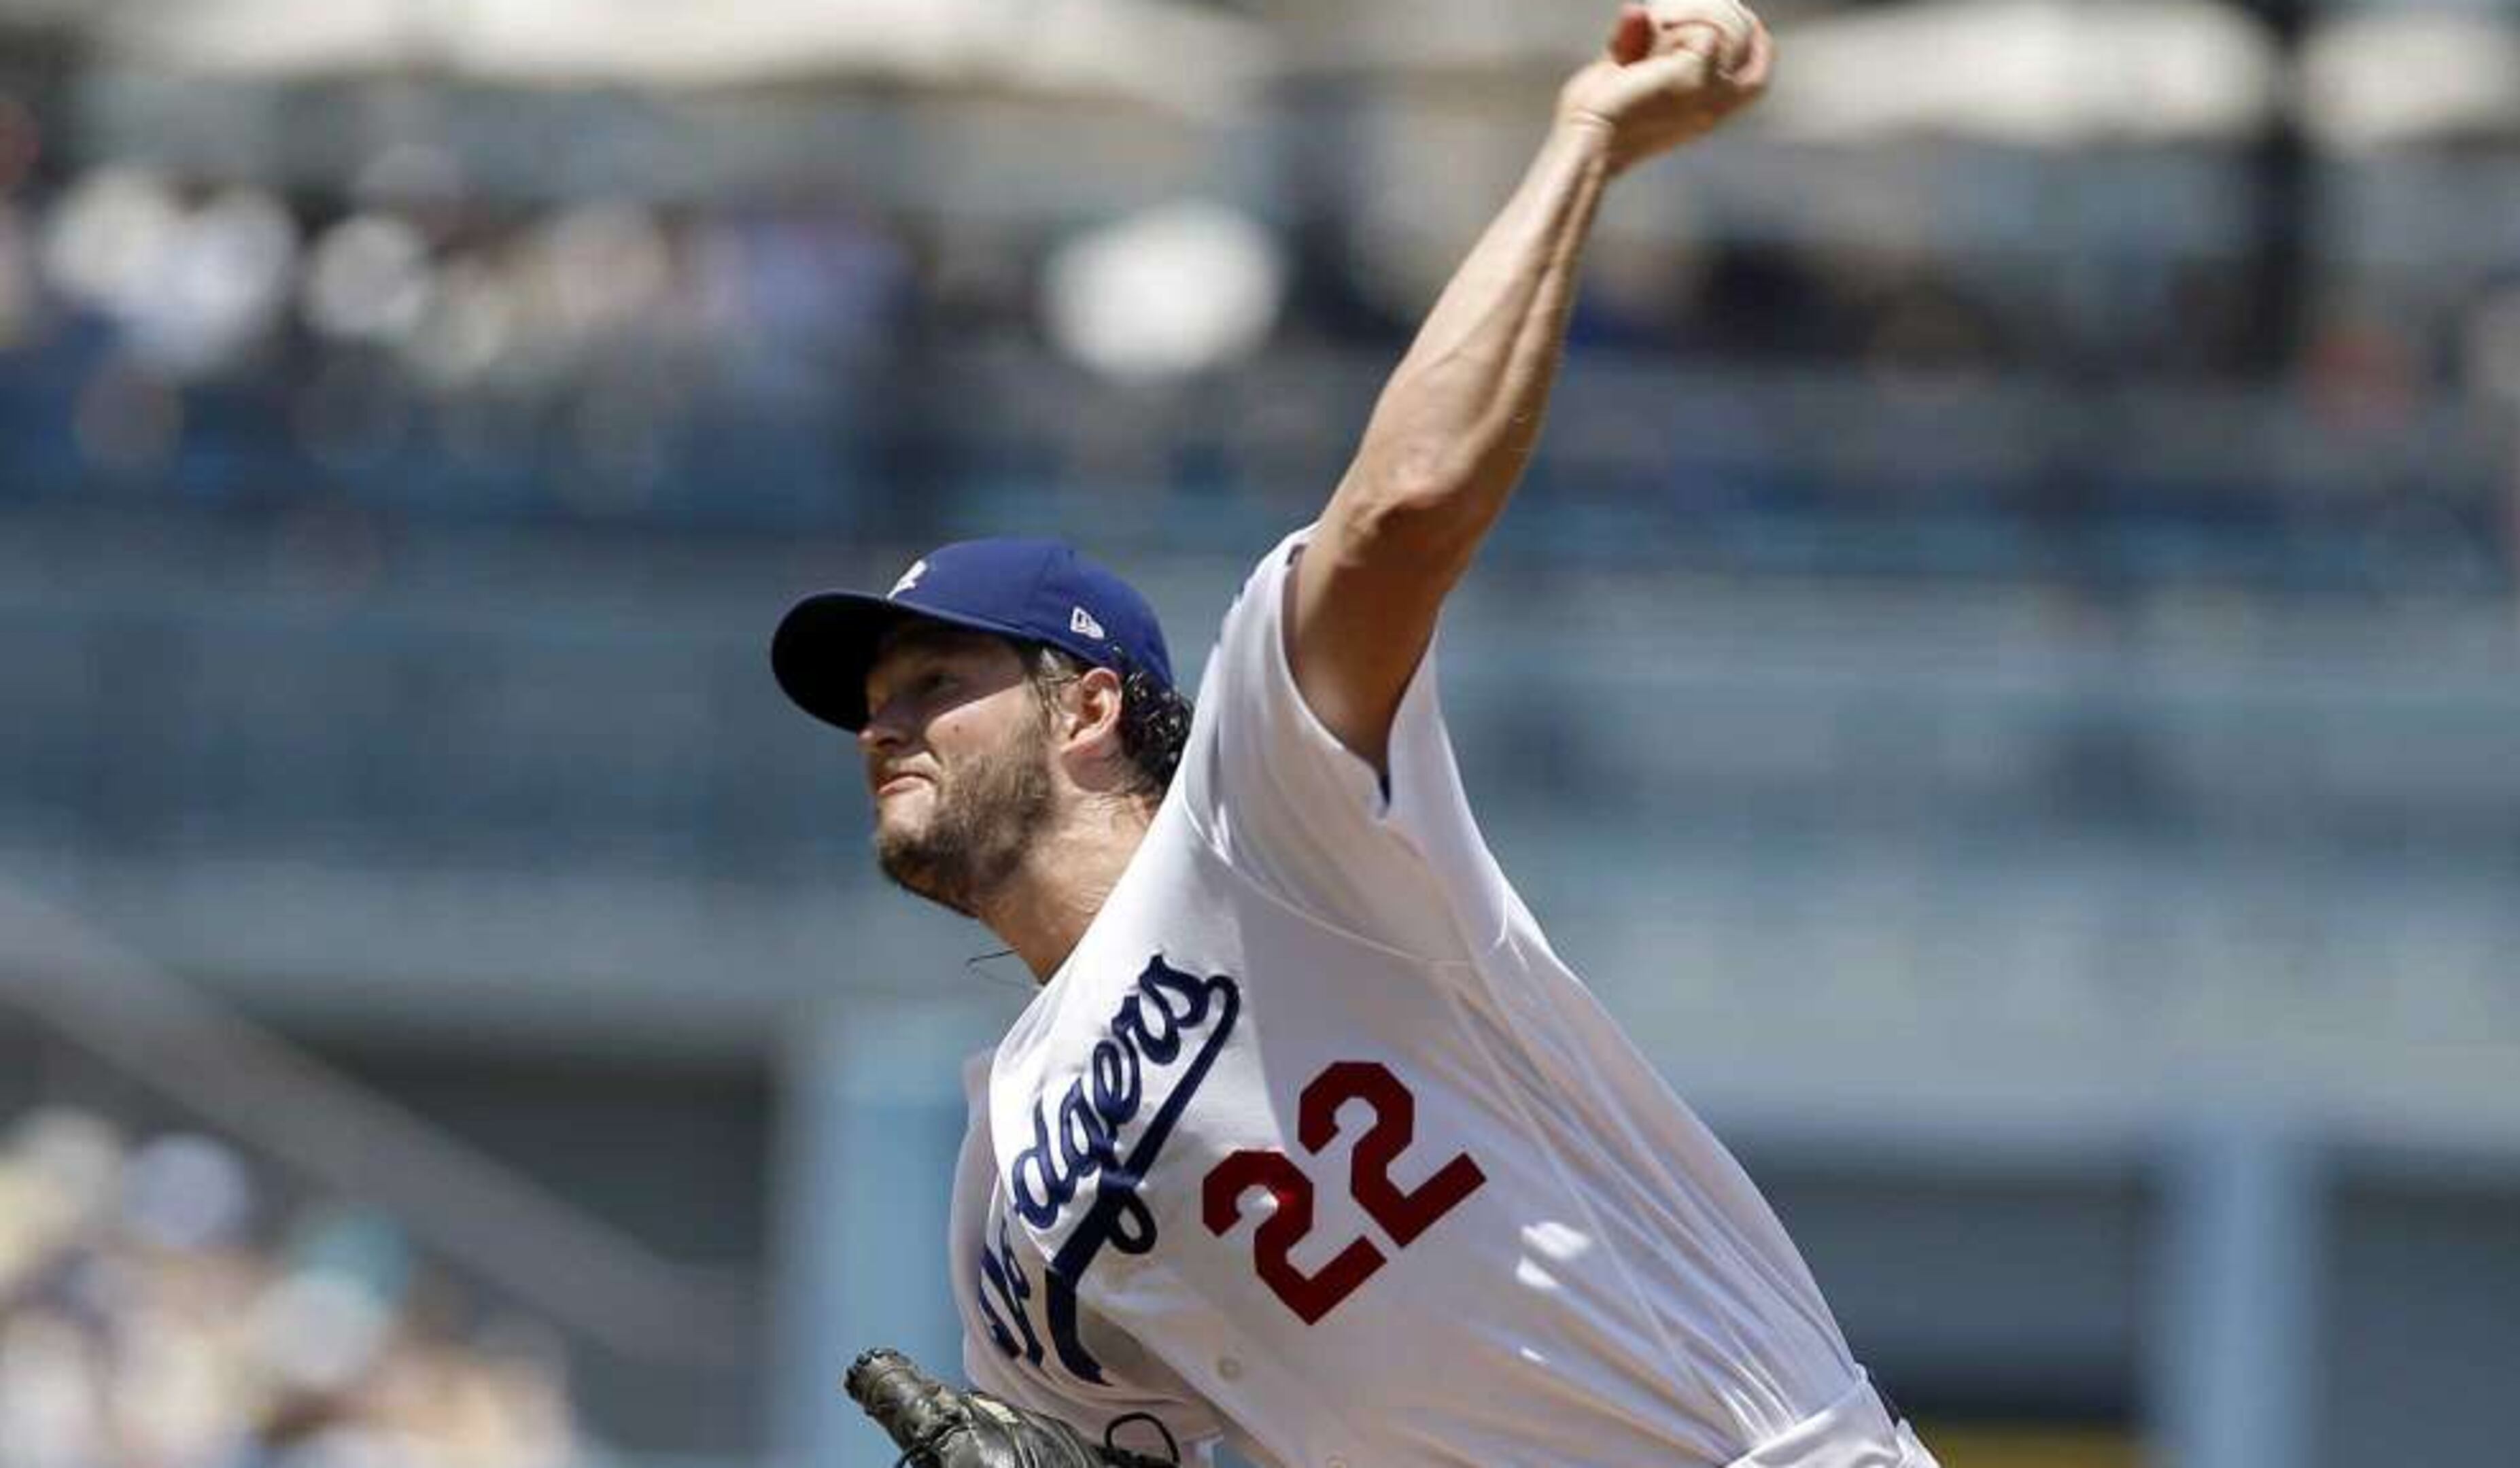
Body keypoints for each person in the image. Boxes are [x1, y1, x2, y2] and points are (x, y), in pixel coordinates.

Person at [771, 5, 1937, 1466]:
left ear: (1087, 705)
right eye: (869, 704)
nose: (885, 725)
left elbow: (1401, 514)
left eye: (933, 681)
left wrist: (1583, 141)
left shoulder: (1263, 824)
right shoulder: (1004, 1186)